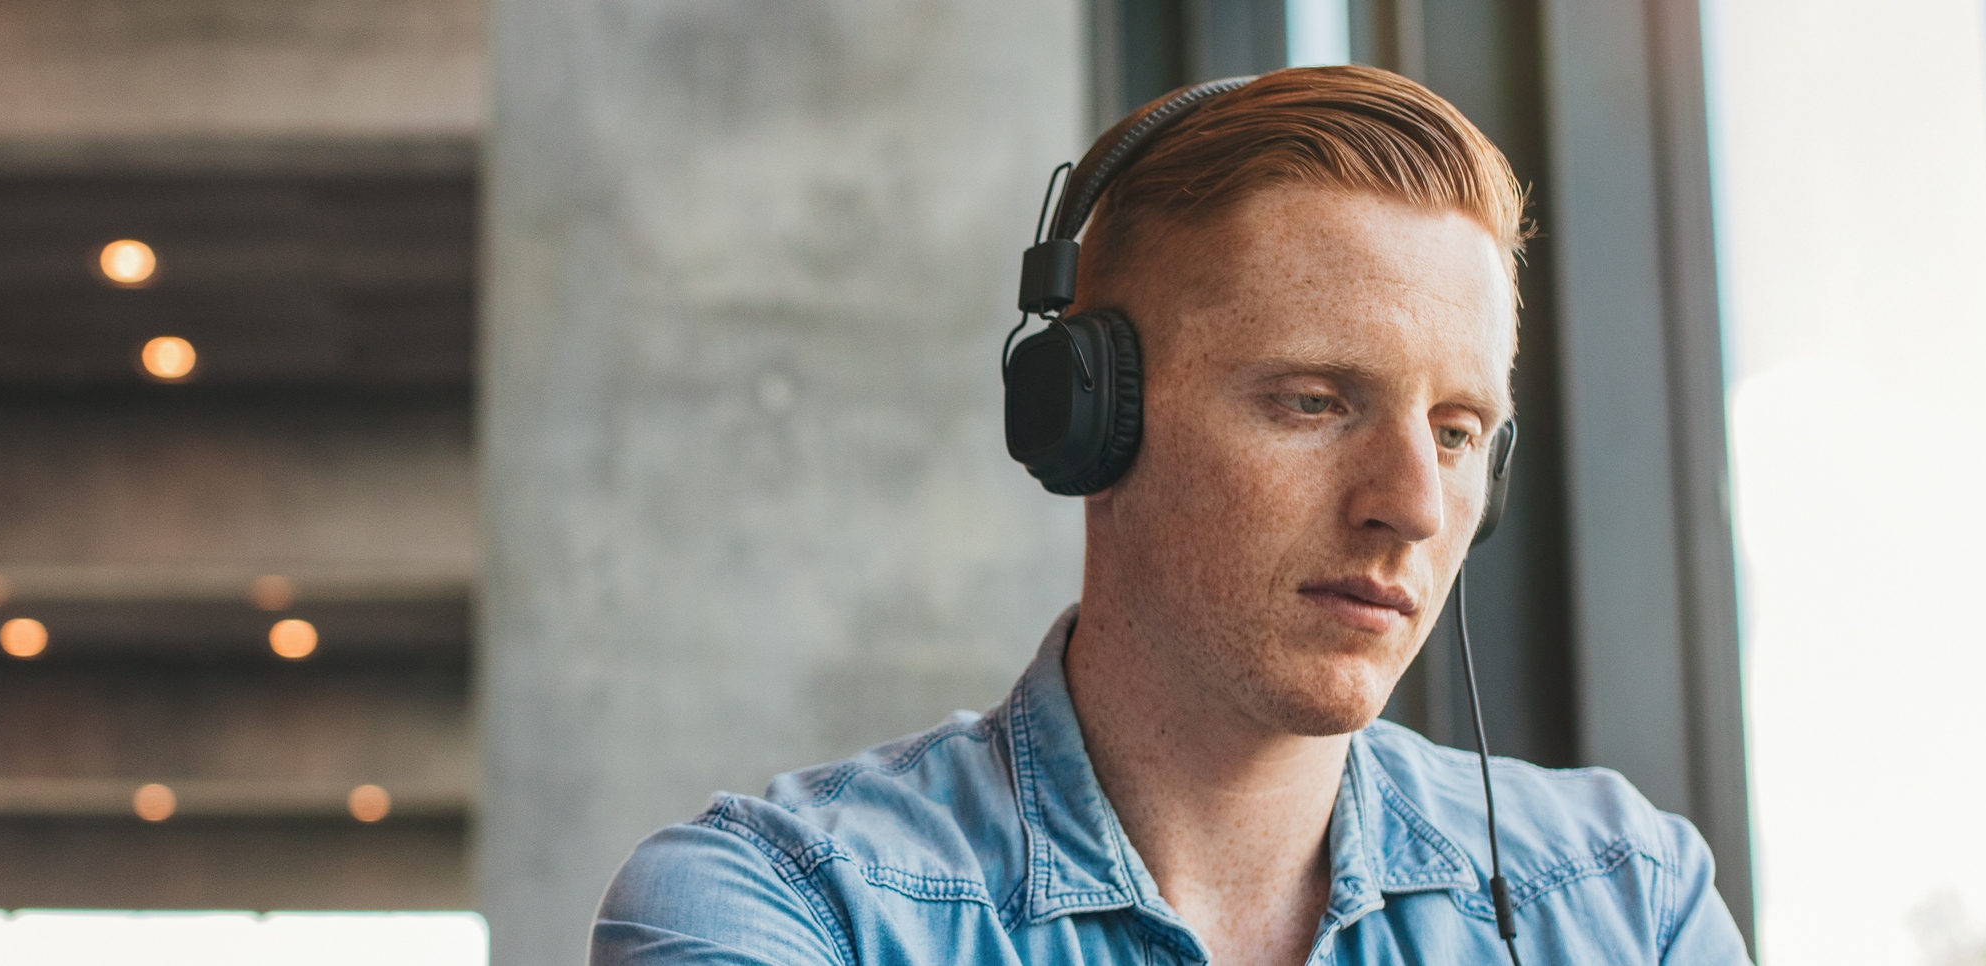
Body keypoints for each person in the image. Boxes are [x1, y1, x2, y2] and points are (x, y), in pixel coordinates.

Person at [589, 66, 1753, 966]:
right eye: (1313, 400)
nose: (1410, 505)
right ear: (1090, 420)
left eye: (1455, 434)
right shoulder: (784, 905)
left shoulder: (1621, 896)